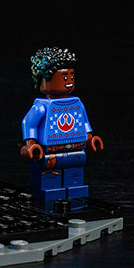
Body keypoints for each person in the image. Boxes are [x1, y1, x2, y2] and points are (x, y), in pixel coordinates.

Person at [21, 46, 103, 210]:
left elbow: (84, 123)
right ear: (45, 79)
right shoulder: (42, 106)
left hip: (76, 149)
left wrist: (90, 139)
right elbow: (29, 123)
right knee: (50, 179)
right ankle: (49, 199)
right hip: (51, 151)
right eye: (64, 77)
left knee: (75, 176)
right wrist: (31, 143)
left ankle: (76, 196)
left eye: (71, 76)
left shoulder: (77, 103)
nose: (69, 80)